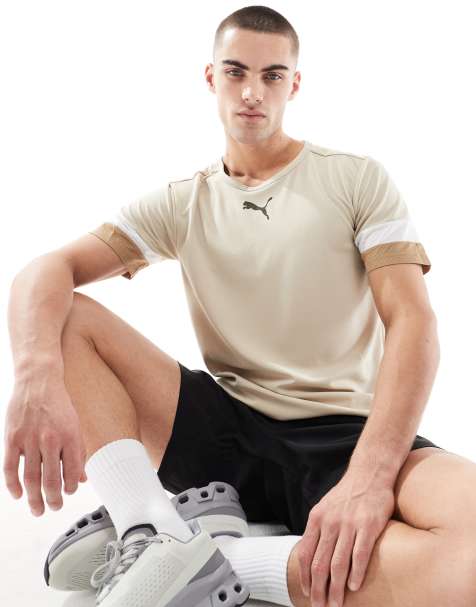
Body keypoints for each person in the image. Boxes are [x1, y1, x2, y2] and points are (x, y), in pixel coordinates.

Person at [5, 4, 476, 607]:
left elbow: (413, 322)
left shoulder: (355, 180)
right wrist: (34, 378)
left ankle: (212, 555)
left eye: (272, 75)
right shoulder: (183, 201)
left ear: (294, 84)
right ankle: (147, 525)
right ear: (212, 77)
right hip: (221, 436)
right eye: (236, 72)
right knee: (64, 313)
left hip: (348, 436)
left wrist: (369, 476)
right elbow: (45, 271)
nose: (253, 92)